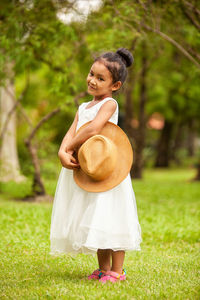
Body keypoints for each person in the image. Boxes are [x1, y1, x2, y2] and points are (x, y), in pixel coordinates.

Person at [50, 48, 142, 283]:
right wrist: (63, 151)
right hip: (89, 169)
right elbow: (73, 131)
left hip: (108, 171)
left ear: (115, 85)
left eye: (100, 78)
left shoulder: (109, 104)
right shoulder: (83, 107)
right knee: (97, 218)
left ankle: (118, 271)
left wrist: (70, 146)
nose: (92, 80)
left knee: (112, 215)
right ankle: (103, 268)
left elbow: (93, 129)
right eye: (91, 74)